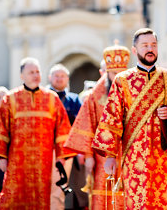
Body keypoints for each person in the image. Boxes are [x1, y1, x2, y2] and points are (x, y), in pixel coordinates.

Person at [92, 28, 167, 209]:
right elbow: (112, 117)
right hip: (134, 157)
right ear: (135, 50)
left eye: (153, 45)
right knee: (137, 202)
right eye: (145, 45)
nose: (150, 49)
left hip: (166, 157)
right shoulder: (122, 80)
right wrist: (110, 156)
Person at [0, 57, 75, 209]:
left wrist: (61, 157)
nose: (36, 75)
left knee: (40, 198)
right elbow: (1, 128)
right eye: (31, 72)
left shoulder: (51, 98)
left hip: (44, 161)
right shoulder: (11, 98)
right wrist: (1, 157)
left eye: (38, 72)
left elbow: (62, 128)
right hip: (18, 161)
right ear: (22, 76)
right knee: (11, 198)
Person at [65, 42, 130, 209]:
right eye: (114, 73)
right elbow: (87, 125)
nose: (117, 77)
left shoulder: (134, 89)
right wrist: (88, 157)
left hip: (129, 153)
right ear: (106, 72)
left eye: (121, 73)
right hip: (102, 156)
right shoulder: (95, 95)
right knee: (103, 192)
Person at [48, 63, 87, 210]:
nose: (59, 79)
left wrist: (79, 150)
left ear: (67, 79)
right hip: (47, 148)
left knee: (65, 187)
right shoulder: (44, 97)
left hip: (68, 150)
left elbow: (80, 124)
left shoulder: (74, 100)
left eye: (62, 76)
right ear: (49, 77)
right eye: (56, 76)